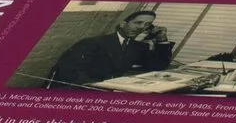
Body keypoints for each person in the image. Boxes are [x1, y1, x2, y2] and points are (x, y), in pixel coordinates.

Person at [44, 8, 173, 88]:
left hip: (109, 89)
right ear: (123, 23)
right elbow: (68, 70)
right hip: (83, 90)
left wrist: (162, 40)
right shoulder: (94, 43)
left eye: (147, 25)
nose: (141, 27)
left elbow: (158, 65)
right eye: (138, 22)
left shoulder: (138, 47)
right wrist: (96, 87)